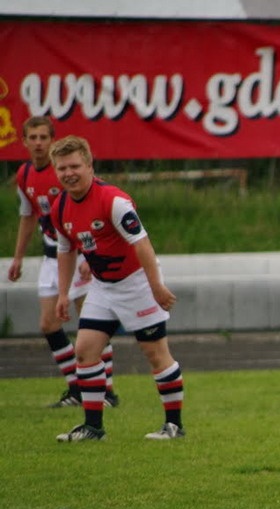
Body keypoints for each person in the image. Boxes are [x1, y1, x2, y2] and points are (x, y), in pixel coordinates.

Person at [48, 135, 185, 442]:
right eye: (62, 168)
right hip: (103, 287)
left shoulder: (114, 201)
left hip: (136, 284)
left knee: (155, 354)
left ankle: (174, 426)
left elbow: (142, 243)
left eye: (74, 166)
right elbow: (66, 250)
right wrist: (63, 294)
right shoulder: (59, 207)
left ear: (89, 165)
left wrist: (156, 287)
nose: (68, 173)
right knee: (84, 352)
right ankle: (94, 428)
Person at [7, 116, 119, 408]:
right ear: (25, 142)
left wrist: (90, 255)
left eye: (44, 137)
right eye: (33, 137)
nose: (39, 143)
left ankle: (106, 389)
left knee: (92, 322)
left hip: (78, 251)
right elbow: (28, 216)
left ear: (52, 140)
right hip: (51, 255)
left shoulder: (70, 176)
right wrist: (18, 256)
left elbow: (92, 212)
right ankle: (76, 387)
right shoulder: (25, 175)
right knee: (48, 323)